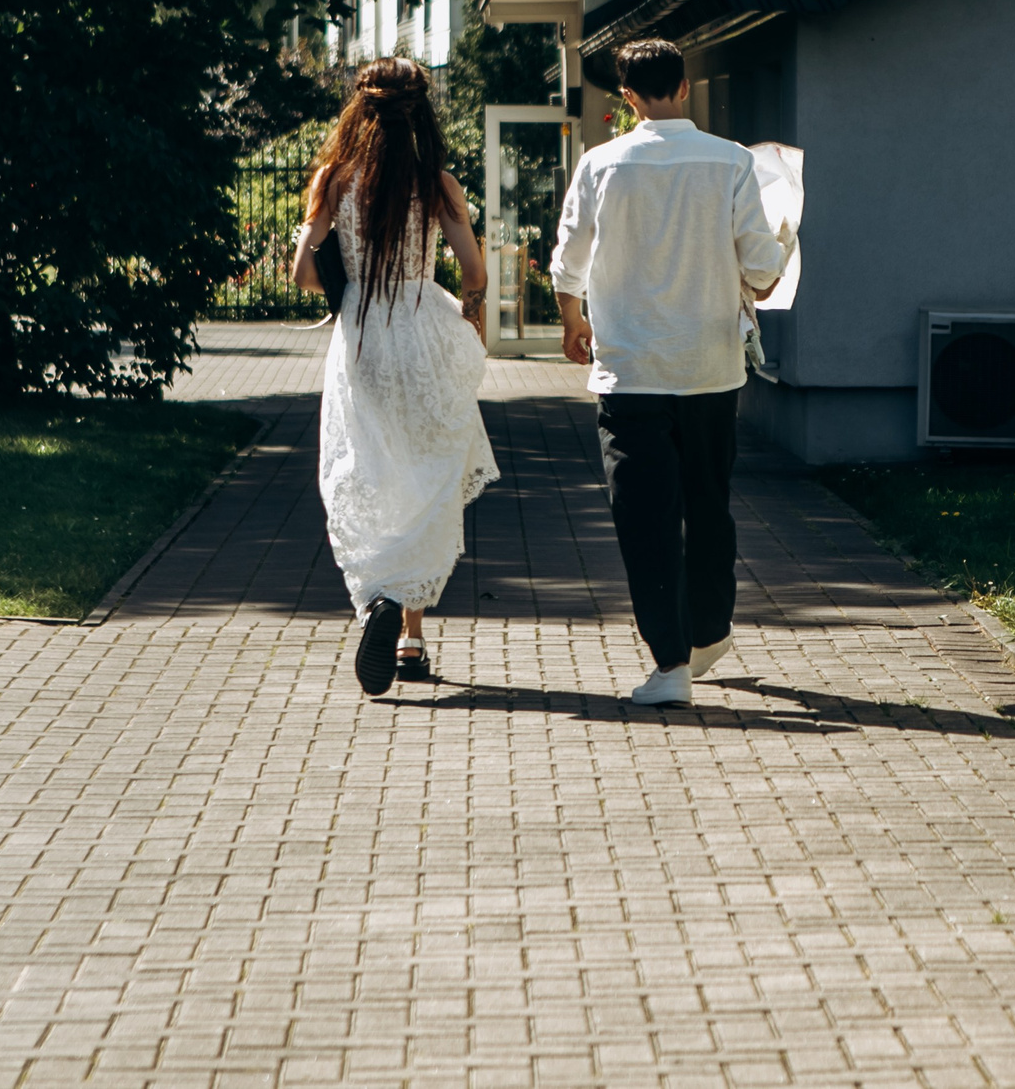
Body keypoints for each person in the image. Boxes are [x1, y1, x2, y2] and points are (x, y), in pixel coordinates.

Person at [550, 38, 788, 706]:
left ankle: (671, 663)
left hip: (631, 369)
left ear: (626, 96)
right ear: (684, 87)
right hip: (711, 367)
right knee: (709, 503)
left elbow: (569, 257)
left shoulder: (601, 164)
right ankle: (709, 630)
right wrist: (776, 254)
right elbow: (762, 271)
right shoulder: (732, 162)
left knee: (645, 516)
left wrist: (573, 320)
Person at [290, 59, 499, 698]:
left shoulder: (333, 179)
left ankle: (378, 596)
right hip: (422, 331)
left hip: (362, 340)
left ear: (360, 110)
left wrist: (350, 286)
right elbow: (473, 274)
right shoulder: (437, 184)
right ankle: (410, 635)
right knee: (425, 478)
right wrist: (470, 315)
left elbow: (302, 273)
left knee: (368, 469)